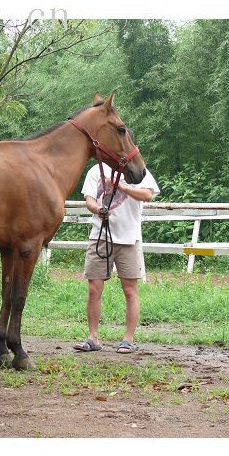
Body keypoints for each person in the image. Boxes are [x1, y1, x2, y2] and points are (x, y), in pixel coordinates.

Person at [74, 146, 160, 354]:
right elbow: (90, 200)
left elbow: (147, 195)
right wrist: (97, 210)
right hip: (100, 236)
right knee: (94, 287)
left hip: (129, 238)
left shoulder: (138, 171)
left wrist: (120, 187)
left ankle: (128, 339)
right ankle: (93, 337)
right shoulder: (96, 171)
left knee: (130, 289)